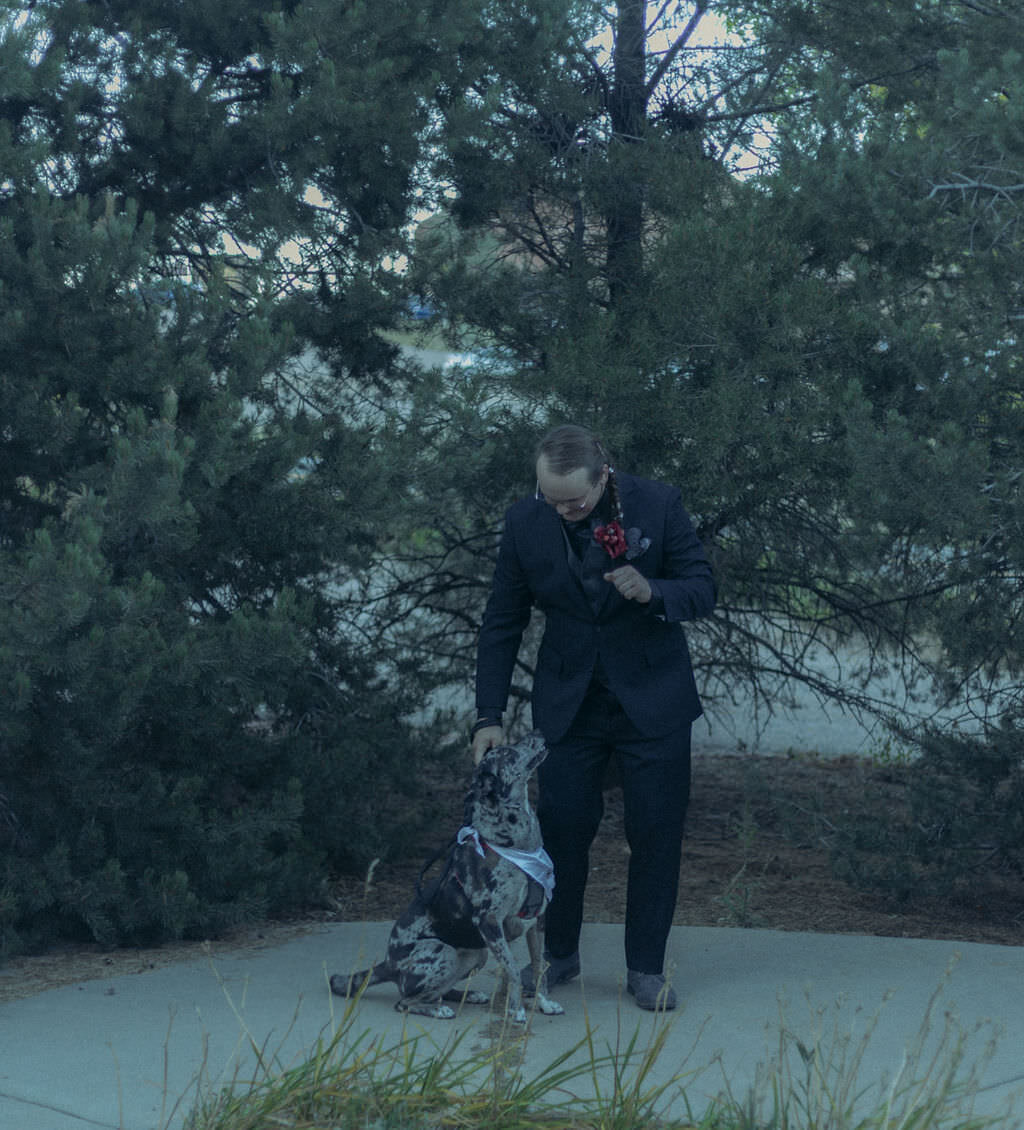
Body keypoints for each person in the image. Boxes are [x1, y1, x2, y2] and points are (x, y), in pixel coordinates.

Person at [471, 423, 716, 1011]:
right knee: (559, 835)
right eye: (549, 498)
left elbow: (703, 588)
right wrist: (488, 715)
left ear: (602, 474)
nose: (561, 510)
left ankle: (646, 970)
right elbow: (502, 621)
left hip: (653, 701)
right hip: (568, 704)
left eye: (574, 501)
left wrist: (653, 591)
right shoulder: (525, 521)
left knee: (655, 836)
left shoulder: (658, 504)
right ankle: (558, 955)